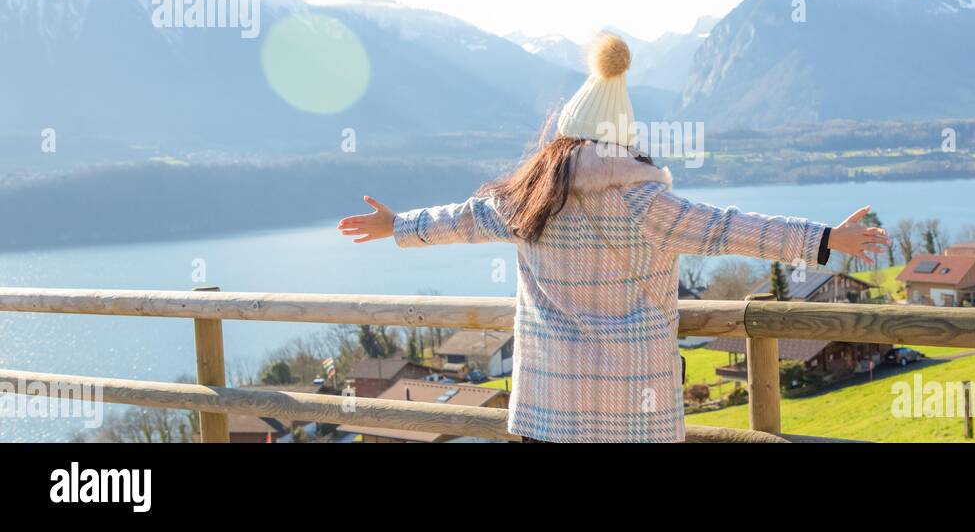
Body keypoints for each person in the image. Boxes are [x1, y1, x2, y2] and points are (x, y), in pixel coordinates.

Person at [338, 33, 889, 443]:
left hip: (549, 406)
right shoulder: (648, 203)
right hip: (635, 409)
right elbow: (734, 230)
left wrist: (397, 226)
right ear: (625, 143)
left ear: (561, 140)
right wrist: (825, 239)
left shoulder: (527, 201)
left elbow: (459, 220)